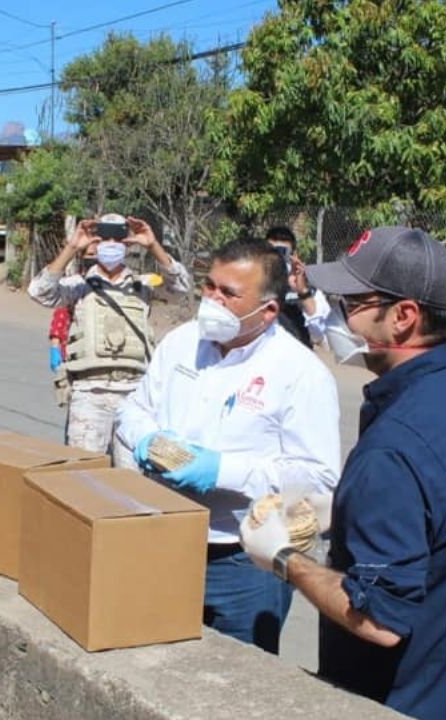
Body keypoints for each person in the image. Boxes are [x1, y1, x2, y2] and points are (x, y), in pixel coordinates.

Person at [240, 226, 446, 717]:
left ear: (403, 316)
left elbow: (381, 619)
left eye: (351, 301)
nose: (336, 313)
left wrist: (285, 558)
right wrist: (345, 511)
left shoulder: (398, 444)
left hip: (402, 701)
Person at [117, 237, 341, 654]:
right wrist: (145, 439)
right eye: (210, 287)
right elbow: (132, 409)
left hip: (246, 560)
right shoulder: (181, 342)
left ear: (268, 310)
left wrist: (220, 470)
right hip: (167, 537)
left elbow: (318, 480)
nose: (213, 301)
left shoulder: (300, 374)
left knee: (238, 680)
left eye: (229, 294)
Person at [28, 213, 190, 466]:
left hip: (135, 395)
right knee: (83, 473)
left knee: (133, 478)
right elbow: (40, 292)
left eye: (118, 237)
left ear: (128, 243)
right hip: (89, 395)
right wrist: (72, 247)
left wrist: (153, 245)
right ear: (94, 243)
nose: (111, 243)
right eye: (104, 237)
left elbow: (181, 289)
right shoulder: (78, 285)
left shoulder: (143, 284)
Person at [264, 226, 329, 348]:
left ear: (293, 255)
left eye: (283, 252)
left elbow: (318, 335)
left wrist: (302, 291)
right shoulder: (251, 285)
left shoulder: (309, 290)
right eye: (272, 252)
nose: (277, 258)